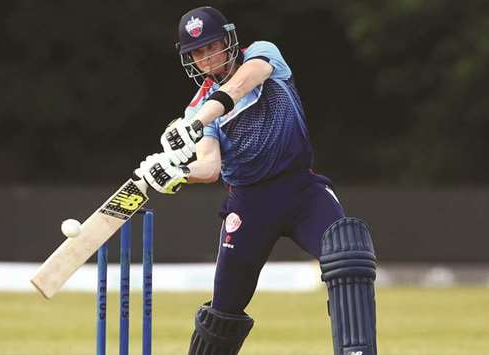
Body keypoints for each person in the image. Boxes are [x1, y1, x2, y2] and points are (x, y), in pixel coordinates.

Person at [136, 6, 378, 355]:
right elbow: (209, 167)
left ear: (229, 41)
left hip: (302, 192)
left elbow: (241, 84)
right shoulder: (197, 111)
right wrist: (177, 173)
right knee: (224, 312)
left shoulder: (263, 54)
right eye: (198, 52)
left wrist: (198, 120)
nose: (208, 57)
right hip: (248, 206)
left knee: (349, 254)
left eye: (212, 45)